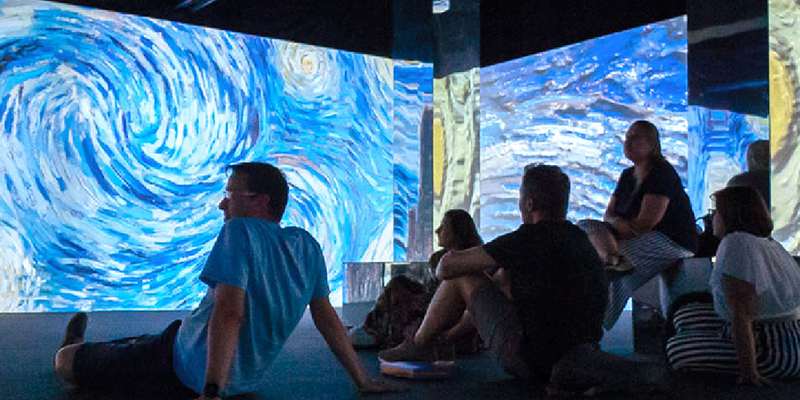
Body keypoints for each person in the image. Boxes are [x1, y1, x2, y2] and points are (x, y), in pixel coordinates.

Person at [54, 162, 398, 399]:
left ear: (260, 201)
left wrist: (211, 391)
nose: (222, 204)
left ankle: (72, 345)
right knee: (132, 346)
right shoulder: (306, 246)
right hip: (216, 366)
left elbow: (230, 313)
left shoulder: (239, 232)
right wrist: (361, 379)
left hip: (177, 365)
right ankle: (82, 343)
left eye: (230, 196)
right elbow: (326, 318)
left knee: (67, 363)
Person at [377, 164, 609, 385]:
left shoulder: (526, 240)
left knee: (463, 277)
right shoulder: (581, 241)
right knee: (500, 284)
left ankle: (418, 344)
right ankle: (441, 341)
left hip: (535, 361)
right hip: (581, 360)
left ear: (529, 203)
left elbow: (446, 268)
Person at [666, 186, 800, 385]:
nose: (712, 218)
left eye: (716, 212)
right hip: (788, 336)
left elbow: (741, 314)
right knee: (685, 316)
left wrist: (749, 373)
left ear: (730, 215)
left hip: (772, 351)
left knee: (676, 348)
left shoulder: (736, 244)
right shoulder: (767, 243)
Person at [579, 120, 698, 329]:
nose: (628, 142)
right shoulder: (627, 175)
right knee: (585, 226)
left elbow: (645, 224)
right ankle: (614, 260)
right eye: (627, 137)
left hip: (671, 240)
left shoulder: (661, 173)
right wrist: (618, 226)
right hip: (629, 234)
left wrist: (616, 227)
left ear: (652, 144)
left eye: (636, 137)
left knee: (611, 267)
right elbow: (609, 215)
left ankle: (597, 321)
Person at [356, 209, 483, 354]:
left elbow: (471, 308)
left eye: (444, 227)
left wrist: (448, 336)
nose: (437, 231)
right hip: (435, 311)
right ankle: (377, 330)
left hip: (450, 322)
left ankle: (380, 334)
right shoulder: (439, 259)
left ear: (458, 232)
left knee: (399, 294)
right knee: (399, 283)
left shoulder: (471, 262)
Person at [727, 139, 770, 206]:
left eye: (765, 154)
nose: (763, 158)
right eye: (759, 155)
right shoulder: (781, 178)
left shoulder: (738, 182)